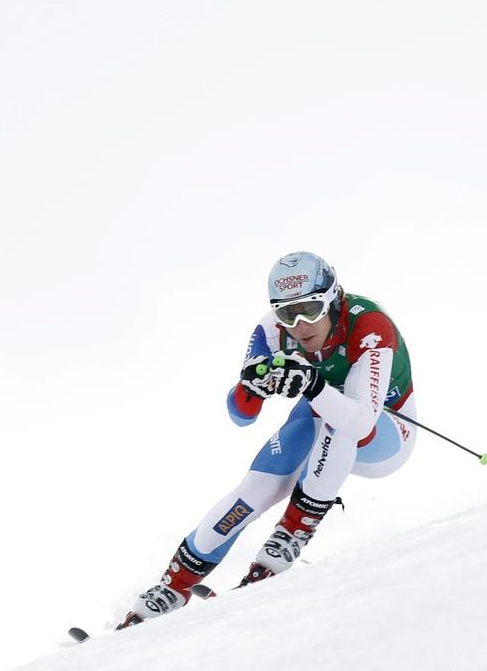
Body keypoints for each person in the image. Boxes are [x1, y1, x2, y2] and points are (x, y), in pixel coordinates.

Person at [117, 251, 416, 629]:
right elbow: (241, 415)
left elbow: (359, 422)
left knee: (334, 424)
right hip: (324, 419)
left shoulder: (369, 325)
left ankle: (288, 539)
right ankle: (171, 588)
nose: (301, 325)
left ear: (333, 300)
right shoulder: (273, 332)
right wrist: (252, 386)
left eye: (310, 309)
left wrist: (311, 383)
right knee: (262, 481)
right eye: (289, 314)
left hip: (385, 433)